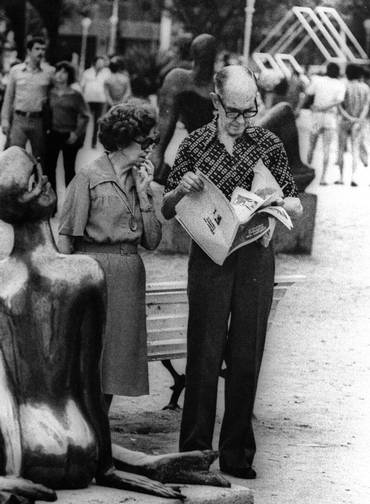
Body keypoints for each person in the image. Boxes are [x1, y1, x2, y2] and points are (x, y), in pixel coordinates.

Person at [0, 146, 228, 502]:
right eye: (35, 178)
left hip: (24, 456)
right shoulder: (85, 272)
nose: (45, 180)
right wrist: (107, 469)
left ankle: (144, 463)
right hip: (82, 449)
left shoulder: (2, 280)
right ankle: (144, 463)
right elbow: (89, 385)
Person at [162, 65, 303, 479]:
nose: (242, 121)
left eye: (250, 111)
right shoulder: (194, 144)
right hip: (208, 257)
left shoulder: (268, 143)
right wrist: (179, 189)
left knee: (247, 354)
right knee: (203, 354)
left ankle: (237, 453)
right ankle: (194, 453)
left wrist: (277, 200)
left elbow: (294, 202)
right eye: (234, 112)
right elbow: (168, 209)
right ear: (217, 103)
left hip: (255, 256)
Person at [58, 100, 162, 414]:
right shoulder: (88, 177)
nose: (149, 149)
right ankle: (87, 430)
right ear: (121, 139)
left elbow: (152, 241)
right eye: (143, 141)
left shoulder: (140, 181)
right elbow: (65, 241)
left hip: (128, 279)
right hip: (94, 275)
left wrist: (145, 194)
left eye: (152, 142)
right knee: (89, 360)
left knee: (115, 364)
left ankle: (100, 426)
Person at [0, 37, 54, 165]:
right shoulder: (16, 71)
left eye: (43, 49)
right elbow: (9, 97)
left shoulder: (49, 72)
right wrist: (5, 119)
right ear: (29, 51)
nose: (40, 52)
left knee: (39, 158)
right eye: (37, 49)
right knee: (15, 155)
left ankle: (37, 184)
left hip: (39, 121)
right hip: (19, 119)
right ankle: (15, 184)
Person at [45, 61, 89, 196]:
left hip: (69, 136)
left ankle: (71, 203)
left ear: (69, 75)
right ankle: (52, 204)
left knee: (69, 169)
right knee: (49, 169)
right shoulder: (50, 93)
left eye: (64, 72)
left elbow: (85, 115)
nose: (60, 75)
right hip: (53, 134)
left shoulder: (75, 95)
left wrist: (76, 134)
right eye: (58, 71)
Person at [303, 63, 346, 185]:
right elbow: (338, 101)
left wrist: (313, 106)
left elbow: (308, 93)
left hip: (317, 116)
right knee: (326, 148)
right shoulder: (340, 85)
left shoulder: (318, 80)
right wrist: (325, 107)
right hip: (330, 117)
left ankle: (307, 173)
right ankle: (323, 178)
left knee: (312, 145)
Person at [337, 64, 370, 186]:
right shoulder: (365, 88)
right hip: (359, 122)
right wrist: (359, 119)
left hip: (345, 121)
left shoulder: (344, 86)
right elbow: (367, 105)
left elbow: (340, 105)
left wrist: (349, 117)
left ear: (347, 73)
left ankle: (340, 177)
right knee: (355, 149)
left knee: (341, 149)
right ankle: (353, 177)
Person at [81, 56, 110, 148]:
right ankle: (82, 141)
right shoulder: (87, 72)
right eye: (99, 62)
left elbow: (108, 86)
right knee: (85, 120)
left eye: (102, 63)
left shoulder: (106, 73)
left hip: (100, 100)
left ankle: (93, 143)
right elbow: (82, 86)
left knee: (97, 122)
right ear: (94, 63)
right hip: (88, 100)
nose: (101, 64)